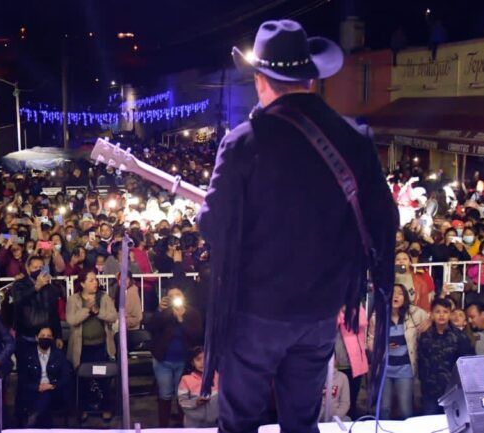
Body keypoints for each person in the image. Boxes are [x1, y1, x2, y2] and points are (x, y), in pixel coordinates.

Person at [198, 20, 398, 433]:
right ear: (311, 79)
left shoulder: (242, 142)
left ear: (260, 80)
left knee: (239, 423)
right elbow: (384, 220)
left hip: (254, 313)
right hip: (321, 312)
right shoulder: (355, 138)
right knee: (302, 421)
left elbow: (213, 225)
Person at [368, 284, 430, 420]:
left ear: (405, 298)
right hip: (385, 369)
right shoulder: (378, 317)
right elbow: (370, 339)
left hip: (405, 369)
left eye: (400, 293)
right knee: (384, 409)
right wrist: (381, 347)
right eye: (393, 293)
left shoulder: (414, 314)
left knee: (405, 410)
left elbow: (431, 317)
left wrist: (429, 322)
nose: (395, 296)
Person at [146, 284, 203, 427]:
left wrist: (181, 320)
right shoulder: (163, 312)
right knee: (165, 394)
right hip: (163, 360)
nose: (174, 298)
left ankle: (183, 425)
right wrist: (159, 310)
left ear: (183, 297)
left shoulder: (192, 313)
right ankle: (163, 427)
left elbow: (196, 336)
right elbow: (151, 328)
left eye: (177, 295)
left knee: (182, 395)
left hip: (184, 361)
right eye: (171, 296)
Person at [65, 269, 118, 421]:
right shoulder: (74, 299)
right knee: (83, 380)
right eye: (91, 280)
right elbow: (71, 319)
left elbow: (113, 316)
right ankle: (83, 409)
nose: (95, 282)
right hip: (82, 348)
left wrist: (97, 312)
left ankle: (106, 407)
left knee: (103, 378)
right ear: (82, 284)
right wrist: (87, 310)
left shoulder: (104, 297)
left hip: (101, 347)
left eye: (96, 279)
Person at [417, 298, 475, 415]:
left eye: (445, 312)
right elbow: (421, 362)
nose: (441, 315)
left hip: (452, 389)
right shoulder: (425, 336)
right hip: (430, 390)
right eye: (438, 312)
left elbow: (467, 363)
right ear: (432, 314)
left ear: (450, 314)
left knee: (452, 420)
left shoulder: (460, 337)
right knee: (430, 420)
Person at [15, 327, 72, 428]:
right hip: (34, 391)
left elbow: (66, 377)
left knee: (46, 397)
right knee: (43, 399)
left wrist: (52, 385)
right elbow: (23, 379)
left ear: (52, 339)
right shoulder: (27, 355)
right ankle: (41, 423)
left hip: (53, 390)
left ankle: (33, 421)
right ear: (36, 338)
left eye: (49, 336)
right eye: (43, 336)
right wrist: (37, 387)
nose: (45, 338)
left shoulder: (59, 354)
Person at [12, 256, 64, 361]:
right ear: (28, 269)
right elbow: (18, 301)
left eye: (41, 268)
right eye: (35, 267)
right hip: (26, 336)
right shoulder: (19, 285)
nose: (38, 270)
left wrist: (58, 335)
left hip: (46, 337)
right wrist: (36, 287)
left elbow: (54, 313)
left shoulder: (50, 288)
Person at [336, 305, 368, 419]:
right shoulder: (331, 306)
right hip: (334, 365)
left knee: (351, 400)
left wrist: (346, 310)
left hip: (353, 364)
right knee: (332, 400)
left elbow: (362, 322)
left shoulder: (357, 307)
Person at [178, 347, 219, 428]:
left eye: (205, 359)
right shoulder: (186, 380)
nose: (202, 362)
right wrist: (196, 402)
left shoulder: (217, 376)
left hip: (215, 423)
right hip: (193, 424)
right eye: (198, 359)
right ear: (192, 362)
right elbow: (182, 402)